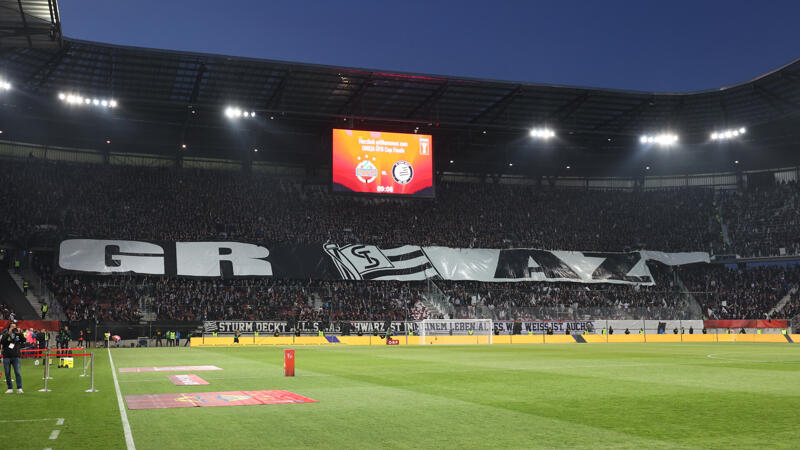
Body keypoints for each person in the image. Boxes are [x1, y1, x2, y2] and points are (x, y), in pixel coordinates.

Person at [2, 322, 25, 393]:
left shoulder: (18, 334)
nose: (13, 328)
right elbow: (3, 342)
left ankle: (19, 388)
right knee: (7, 373)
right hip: (7, 356)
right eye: (12, 327)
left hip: (16, 356)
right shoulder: (5, 334)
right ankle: (10, 388)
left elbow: (24, 340)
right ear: (9, 328)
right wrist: (8, 333)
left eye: (14, 326)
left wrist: (19, 333)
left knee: (17, 372)